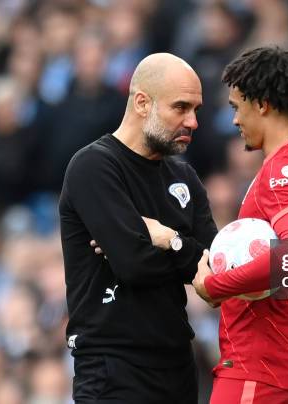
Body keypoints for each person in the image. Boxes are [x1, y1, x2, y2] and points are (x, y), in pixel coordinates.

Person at [59, 53, 218, 403]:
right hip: (114, 367)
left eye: (197, 109)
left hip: (177, 365)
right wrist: (182, 256)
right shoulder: (94, 166)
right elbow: (134, 264)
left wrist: (169, 240)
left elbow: (215, 268)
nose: (193, 121)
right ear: (142, 103)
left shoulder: (184, 178)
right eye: (181, 107)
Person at [192, 47, 288, 403]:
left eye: (236, 107)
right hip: (280, 365)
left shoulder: (283, 172)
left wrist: (216, 286)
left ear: (262, 104)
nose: (234, 121)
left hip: (260, 369)